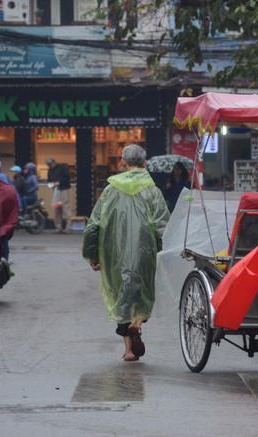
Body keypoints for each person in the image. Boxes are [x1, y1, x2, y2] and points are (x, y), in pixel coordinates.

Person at [82, 144, 170, 362]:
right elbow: (163, 226)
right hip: (145, 252)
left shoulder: (110, 190)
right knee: (141, 292)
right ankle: (137, 324)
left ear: (122, 163)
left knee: (121, 294)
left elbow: (94, 225)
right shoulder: (152, 191)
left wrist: (92, 254)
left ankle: (129, 351)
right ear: (145, 163)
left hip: (114, 253)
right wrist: (166, 251)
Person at [46, 157, 72, 233]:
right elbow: (49, 180)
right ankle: (58, 227)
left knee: (66, 208)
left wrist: (59, 182)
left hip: (63, 189)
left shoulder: (61, 168)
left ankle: (68, 227)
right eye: (49, 165)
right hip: (56, 190)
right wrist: (51, 184)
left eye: (50, 164)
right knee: (56, 209)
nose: (50, 166)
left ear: (54, 162)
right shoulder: (50, 170)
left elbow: (67, 177)